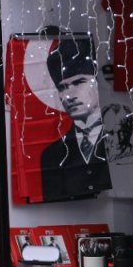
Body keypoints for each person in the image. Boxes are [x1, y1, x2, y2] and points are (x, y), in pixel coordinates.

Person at [39, 38, 112, 201]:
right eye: (62, 87)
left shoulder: (118, 138)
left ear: (96, 82)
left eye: (79, 82)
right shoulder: (51, 156)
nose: (69, 95)